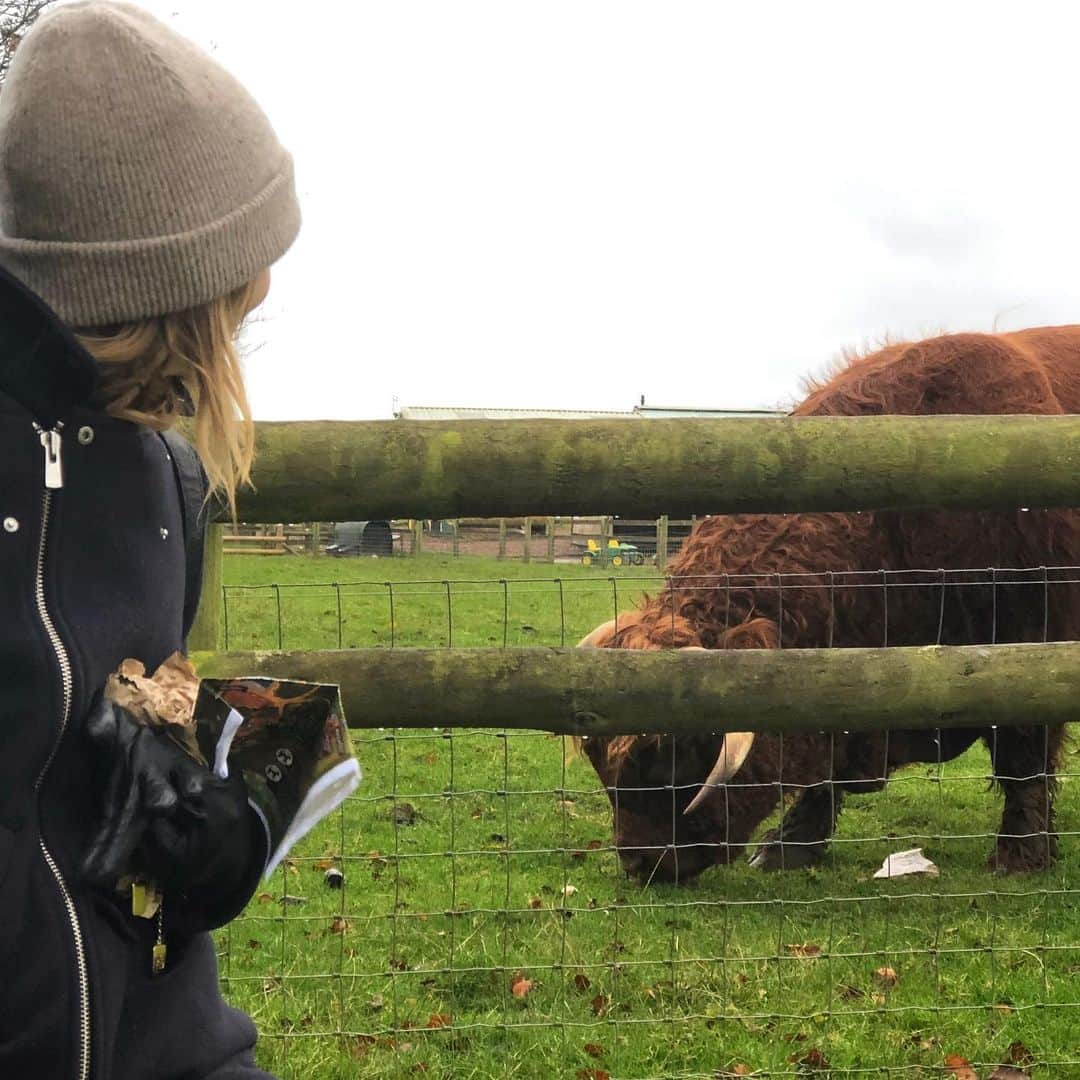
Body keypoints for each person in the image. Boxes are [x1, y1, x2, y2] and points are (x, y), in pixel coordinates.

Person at [0, 2, 300, 1077]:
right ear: (178, 284)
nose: (260, 295)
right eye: (244, 273)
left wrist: (226, 811)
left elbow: (137, 694)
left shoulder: (165, 474)